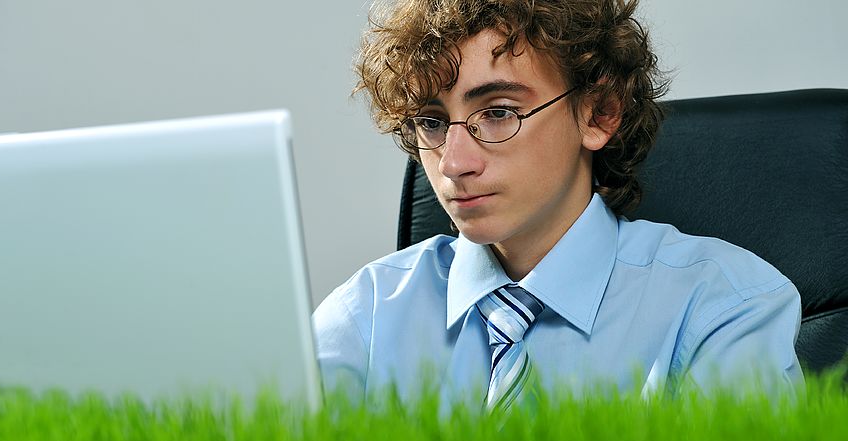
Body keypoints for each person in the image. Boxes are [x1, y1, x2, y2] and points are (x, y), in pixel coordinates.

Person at [313, 0, 803, 411]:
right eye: (431, 122)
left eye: (499, 112)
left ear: (599, 113)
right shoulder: (367, 314)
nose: (453, 164)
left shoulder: (725, 308)